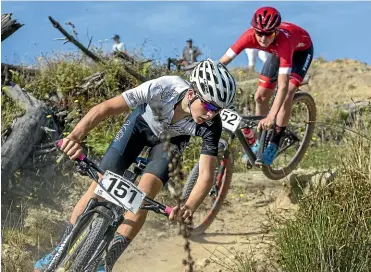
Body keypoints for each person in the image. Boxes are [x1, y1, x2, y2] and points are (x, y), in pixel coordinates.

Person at [33, 58, 236, 272]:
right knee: (101, 184)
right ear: (192, 93)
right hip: (140, 126)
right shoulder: (164, 87)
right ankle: (61, 249)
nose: (212, 114)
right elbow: (106, 108)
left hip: (170, 142)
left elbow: (206, 174)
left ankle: (106, 262)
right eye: (209, 105)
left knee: (144, 194)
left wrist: (188, 208)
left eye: (218, 110)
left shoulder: (212, 124)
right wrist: (74, 137)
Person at [219, 6, 313, 165]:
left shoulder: (284, 42)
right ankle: (260, 141)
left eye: (268, 33)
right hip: (277, 53)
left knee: (288, 91)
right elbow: (221, 63)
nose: (263, 38)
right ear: (253, 30)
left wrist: (271, 116)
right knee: (260, 96)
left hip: (299, 52)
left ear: (275, 32)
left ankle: (275, 142)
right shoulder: (248, 36)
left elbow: (282, 87)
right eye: (259, 33)